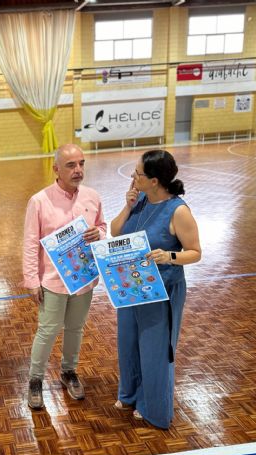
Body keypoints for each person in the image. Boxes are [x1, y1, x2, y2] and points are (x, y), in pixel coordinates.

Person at [110, 149, 201, 429]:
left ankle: (153, 407)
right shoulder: (139, 200)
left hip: (162, 291)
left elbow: (195, 252)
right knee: (128, 345)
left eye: (138, 173)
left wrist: (169, 256)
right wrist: (127, 205)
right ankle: (131, 394)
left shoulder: (179, 211)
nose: (133, 177)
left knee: (155, 350)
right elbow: (115, 232)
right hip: (131, 288)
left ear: (155, 180)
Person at [22, 144, 107, 409]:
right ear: (56, 168)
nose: (78, 170)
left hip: (83, 279)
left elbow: (103, 227)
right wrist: (32, 280)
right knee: (47, 331)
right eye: (71, 165)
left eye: (81, 163)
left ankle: (69, 371)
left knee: (75, 328)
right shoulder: (39, 200)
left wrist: (100, 234)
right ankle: (35, 380)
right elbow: (30, 243)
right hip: (53, 281)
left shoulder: (92, 197)